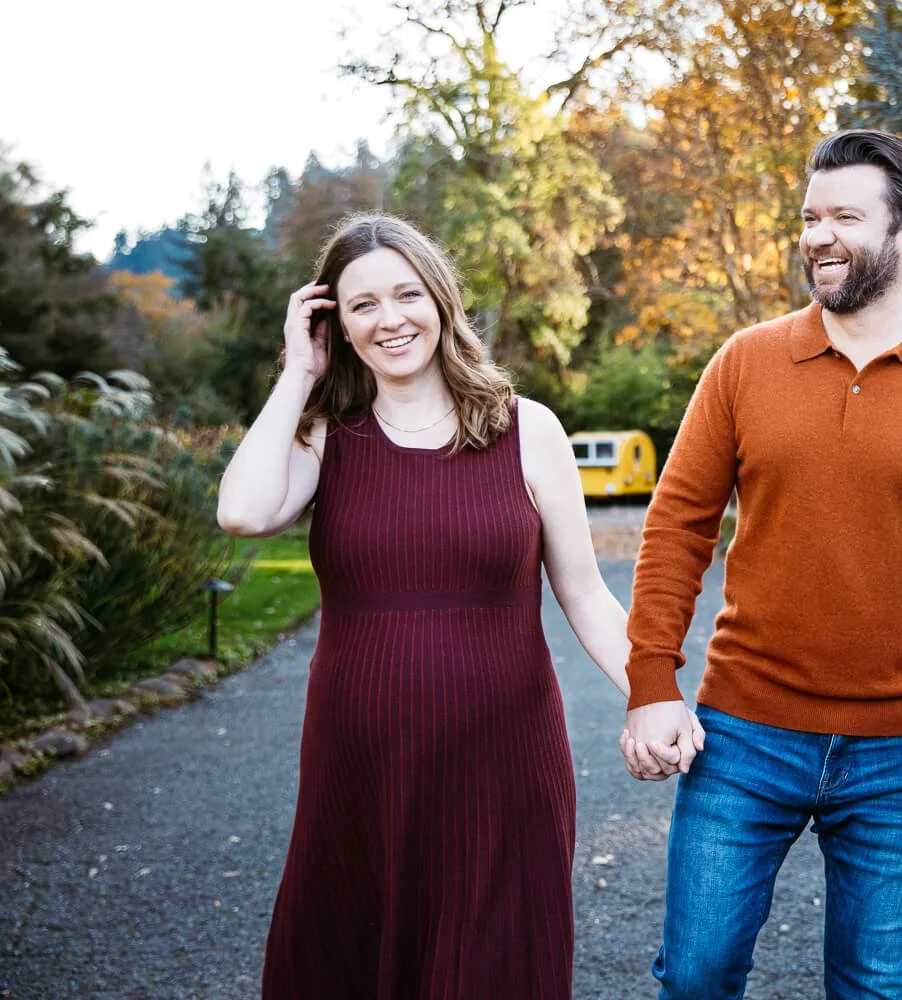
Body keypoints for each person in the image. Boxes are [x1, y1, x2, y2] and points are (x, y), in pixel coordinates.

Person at [620, 129, 902, 999]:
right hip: (743, 733)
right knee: (697, 977)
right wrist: (651, 684)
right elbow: (677, 527)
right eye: (809, 217)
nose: (818, 237)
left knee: (871, 988)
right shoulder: (745, 363)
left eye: (845, 217)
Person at [217, 213, 660, 999]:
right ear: (336, 325)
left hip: (504, 770)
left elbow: (586, 593)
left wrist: (654, 695)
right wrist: (298, 373)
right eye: (362, 305)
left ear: (441, 300)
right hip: (359, 773)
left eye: (407, 295)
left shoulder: (528, 430)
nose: (389, 319)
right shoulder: (325, 435)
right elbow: (243, 512)